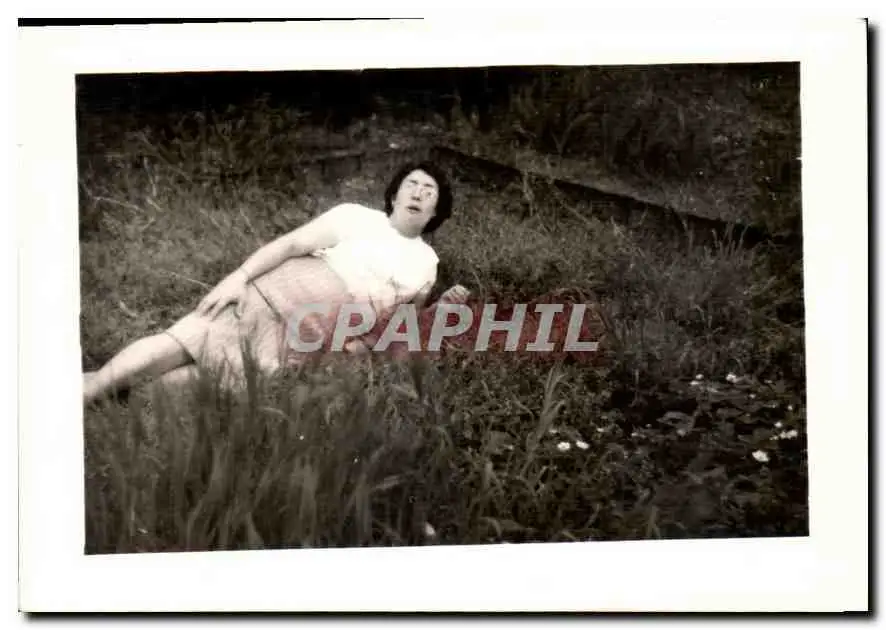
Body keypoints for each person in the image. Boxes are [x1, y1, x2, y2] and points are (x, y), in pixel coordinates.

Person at [82, 162, 470, 405]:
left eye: (429, 191)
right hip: (271, 296)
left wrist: (438, 311)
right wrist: (238, 278)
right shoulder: (356, 216)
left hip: (306, 338)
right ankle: (89, 392)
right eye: (412, 184)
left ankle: (111, 392)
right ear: (395, 193)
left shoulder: (427, 264)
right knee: (184, 343)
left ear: (436, 210)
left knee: (210, 379)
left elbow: (396, 327)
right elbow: (291, 244)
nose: (418, 193)